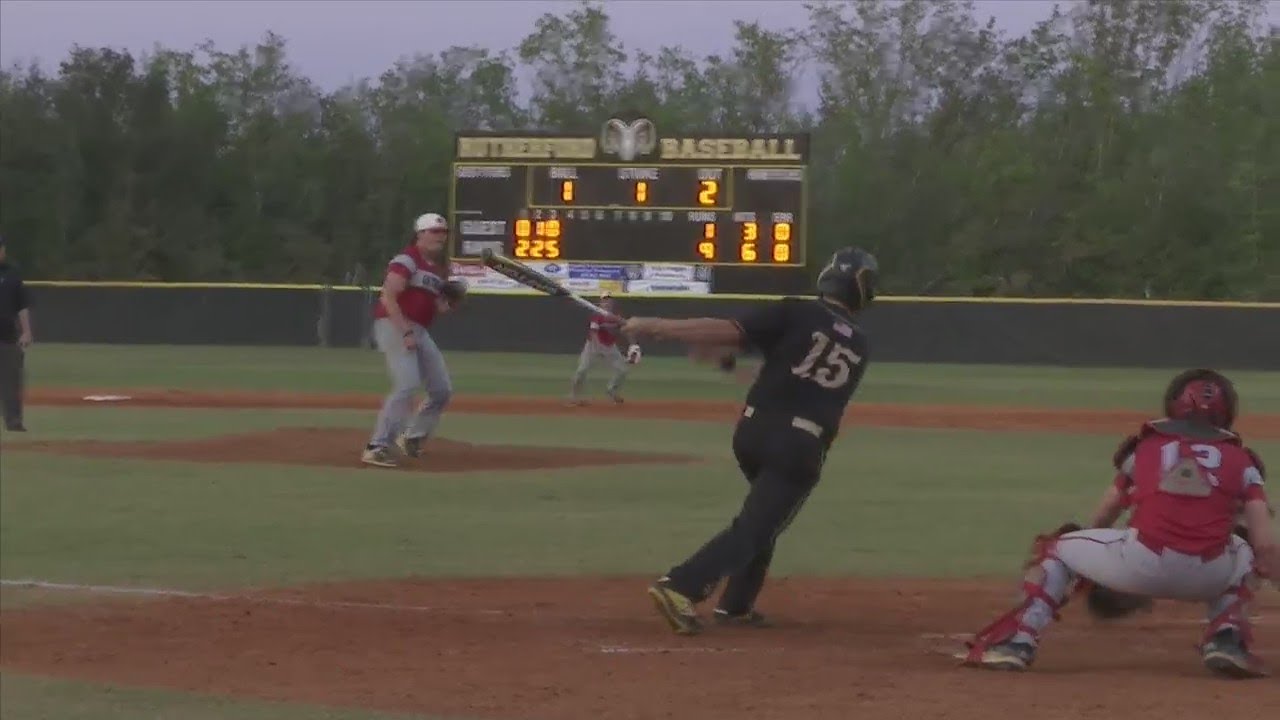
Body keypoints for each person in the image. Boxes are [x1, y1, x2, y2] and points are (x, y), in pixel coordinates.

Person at [622, 246, 879, 635]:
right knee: (756, 527)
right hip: (799, 445)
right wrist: (665, 328)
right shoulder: (859, 343)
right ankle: (681, 587)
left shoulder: (795, 311)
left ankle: (737, 604)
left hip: (752, 433)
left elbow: (730, 336)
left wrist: (656, 326)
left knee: (762, 518)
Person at [961, 368, 1276, 679]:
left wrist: (1095, 566)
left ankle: (1017, 642)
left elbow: (1107, 510)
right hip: (1208, 575)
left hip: (1141, 563)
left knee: (1056, 548)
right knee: (1244, 547)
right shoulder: (1244, 461)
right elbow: (1264, 544)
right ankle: (1227, 638)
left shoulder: (1144, 448)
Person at [361, 213, 466, 468]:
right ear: (419, 234)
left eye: (442, 233)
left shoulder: (438, 270)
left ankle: (412, 437)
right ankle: (377, 446)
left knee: (441, 390)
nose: (439, 237)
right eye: (433, 231)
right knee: (407, 384)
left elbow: (439, 308)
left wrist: (453, 299)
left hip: (419, 330)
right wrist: (406, 332)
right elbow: (388, 296)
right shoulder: (408, 259)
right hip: (395, 324)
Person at [566, 292, 641, 405]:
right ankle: (573, 397)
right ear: (600, 303)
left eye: (609, 300)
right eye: (604, 300)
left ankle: (611, 390)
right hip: (592, 347)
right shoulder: (597, 315)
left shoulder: (617, 316)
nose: (607, 302)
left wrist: (633, 345)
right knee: (581, 371)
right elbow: (593, 334)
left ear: (613, 302)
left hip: (610, 347)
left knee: (623, 371)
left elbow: (627, 329)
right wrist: (598, 349)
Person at [0, 235, 33, 432]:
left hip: (8, 336)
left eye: (1, 248)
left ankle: (14, 421)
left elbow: (22, 305)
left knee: (12, 381)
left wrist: (27, 331)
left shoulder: (13, 274)